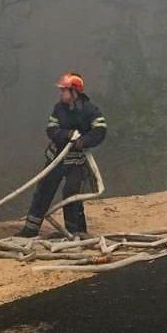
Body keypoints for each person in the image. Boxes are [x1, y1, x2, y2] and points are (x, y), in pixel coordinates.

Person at [17, 73, 107, 239]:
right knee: (44, 191)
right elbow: (51, 129)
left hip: (77, 162)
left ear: (74, 92)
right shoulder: (59, 109)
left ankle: (75, 232)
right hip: (55, 159)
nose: (61, 93)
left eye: (64, 90)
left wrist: (84, 141)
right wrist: (67, 135)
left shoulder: (91, 110)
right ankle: (30, 229)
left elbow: (100, 131)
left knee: (72, 194)